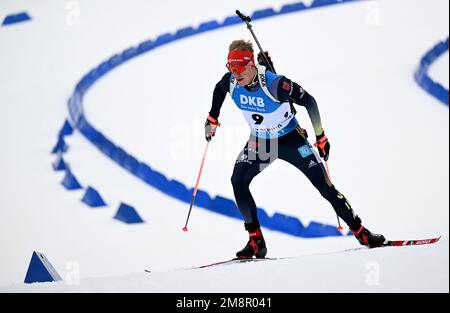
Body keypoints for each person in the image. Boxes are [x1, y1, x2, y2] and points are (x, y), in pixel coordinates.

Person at [205, 39, 386, 259]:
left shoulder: (275, 84)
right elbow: (219, 89)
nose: (235, 74)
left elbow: (309, 101)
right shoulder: (231, 82)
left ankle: (361, 232)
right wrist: (212, 117)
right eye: (231, 68)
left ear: (252, 64)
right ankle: (256, 241)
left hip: (291, 140)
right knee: (238, 181)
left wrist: (320, 135)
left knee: (325, 187)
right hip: (262, 143)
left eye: (240, 68)